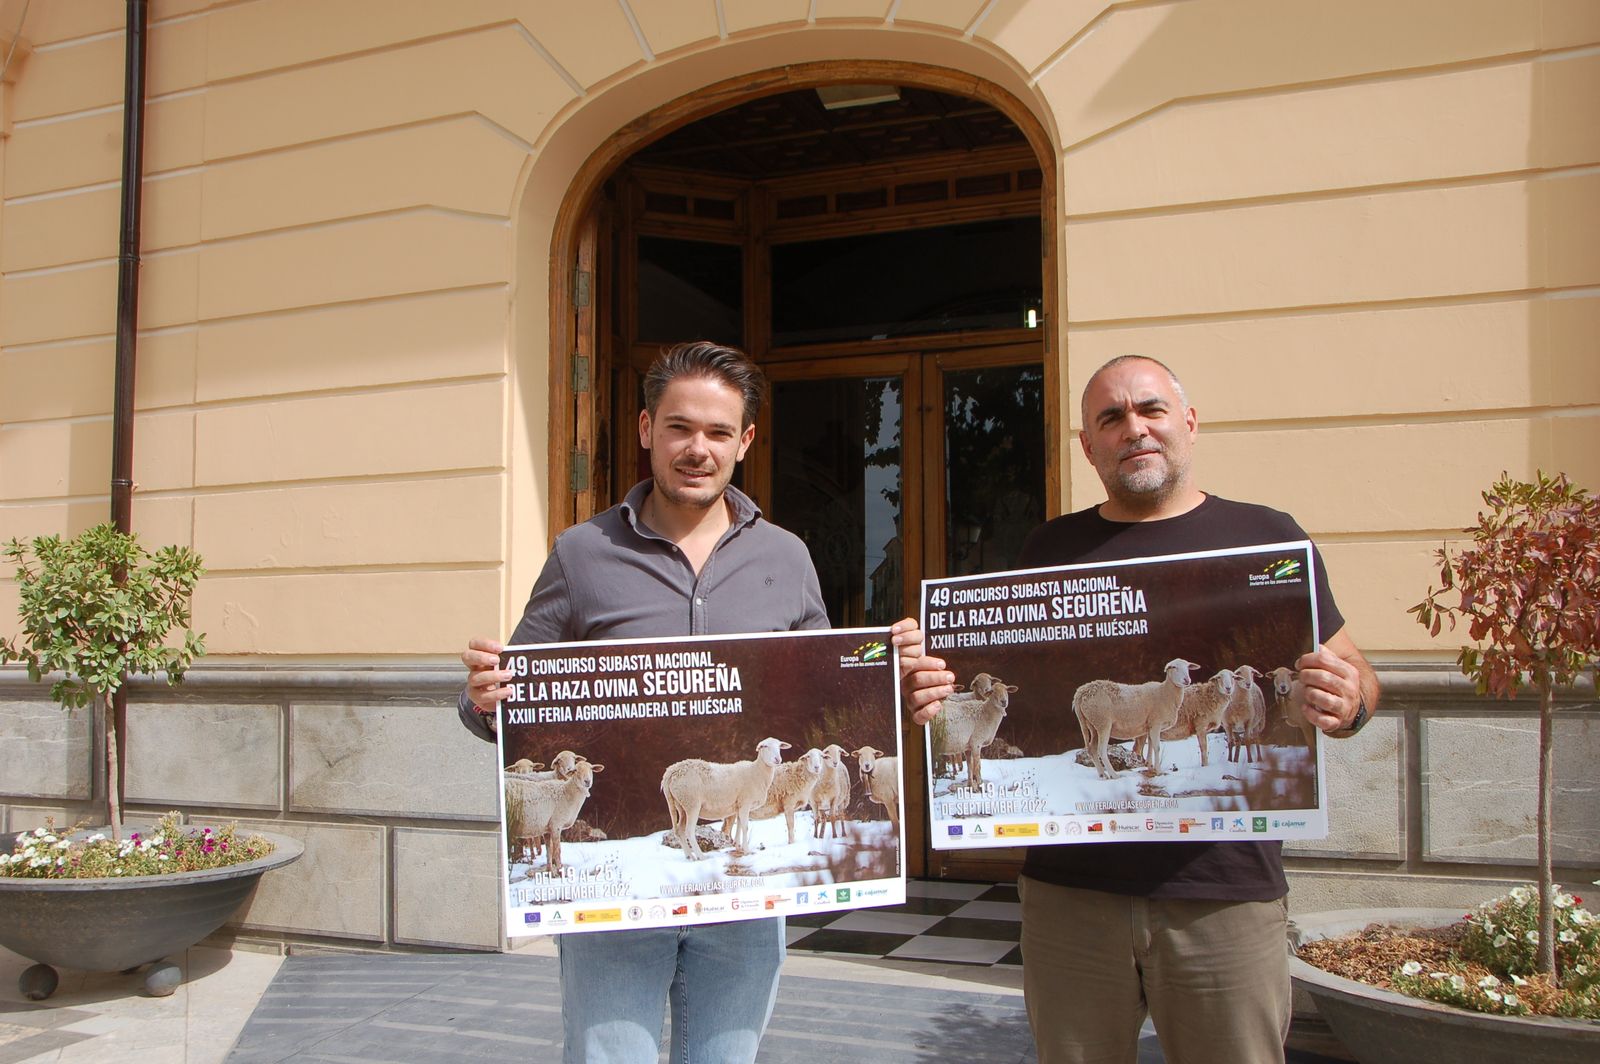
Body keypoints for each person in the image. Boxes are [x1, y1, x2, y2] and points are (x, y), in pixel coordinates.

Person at [903, 354, 1379, 1064]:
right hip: (1073, 897)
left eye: (1151, 409)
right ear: (1088, 446)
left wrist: (1350, 702)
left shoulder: (1267, 536)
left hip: (1223, 894)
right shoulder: (1051, 547)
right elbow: (997, 668)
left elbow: (1358, 674)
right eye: (1111, 418)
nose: (1135, 428)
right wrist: (932, 693)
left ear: (1188, 422)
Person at [458, 340, 924, 1064]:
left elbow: (823, 687)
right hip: (617, 899)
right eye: (679, 427)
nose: (697, 449)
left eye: (717, 432)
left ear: (745, 441)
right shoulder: (582, 553)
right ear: (647, 429)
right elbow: (512, 701)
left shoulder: (786, 557)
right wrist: (486, 700)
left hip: (746, 901)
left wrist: (895, 685)